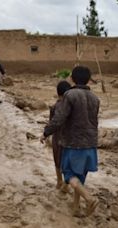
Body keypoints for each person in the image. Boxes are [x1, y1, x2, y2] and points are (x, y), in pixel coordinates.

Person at [41, 66, 100, 217]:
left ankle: (89, 198)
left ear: (72, 79)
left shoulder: (69, 95)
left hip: (74, 143)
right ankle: (75, 207)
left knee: (69, 175)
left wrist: (46, 132)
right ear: (88, 79)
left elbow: (59, 118)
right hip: (91, 143)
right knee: (80, 178)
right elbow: (94, 121)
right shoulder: (95, 98)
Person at [49, 80, 72, 191]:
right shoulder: (72, 106)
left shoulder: (55, 106)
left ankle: (59, 181)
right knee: (67, 161)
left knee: (57, 161)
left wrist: (46, 134)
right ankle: (66, 184)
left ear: (58, 93)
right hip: (69, 138)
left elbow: (52, 123)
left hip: (57, 138)